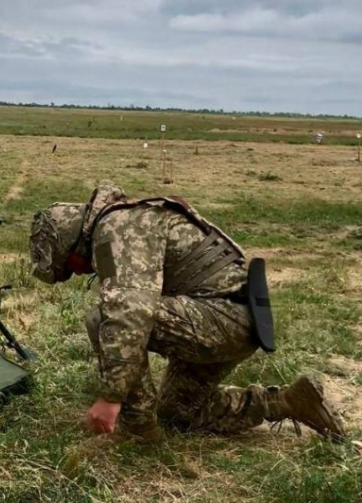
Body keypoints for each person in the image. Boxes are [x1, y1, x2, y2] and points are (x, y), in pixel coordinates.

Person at [29, 180, 345, 442]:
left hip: (223, 317)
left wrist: (111, 397)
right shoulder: (128, 219)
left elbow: (129, 314)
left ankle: (138, 431)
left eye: (70, 267)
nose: (79, 272)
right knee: (180, 410)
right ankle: (287, 401)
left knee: (104, 318)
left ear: (70, 243)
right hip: (232, 319)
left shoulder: (117, 228)